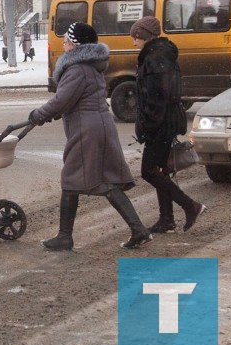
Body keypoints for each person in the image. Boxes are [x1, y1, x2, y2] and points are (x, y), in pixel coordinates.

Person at [28, 22, 152, 251]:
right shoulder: (90, 66)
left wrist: (38, 114)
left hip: (87, 130)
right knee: (106, 180)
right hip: (99, 125)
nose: (63, 45)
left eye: (66, 41)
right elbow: (76, 100)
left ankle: (65, 236)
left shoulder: (76, 69)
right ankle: (138, 230)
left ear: (75, 45)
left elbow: (61, 101)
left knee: (72, 179)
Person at [130, 16, 205, 234]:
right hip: (167, 121)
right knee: (160, 170)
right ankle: (166, 220)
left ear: (142, 36)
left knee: (148, 171)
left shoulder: (154, 59)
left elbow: (156, 97)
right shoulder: (162, 55)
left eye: (135, 37)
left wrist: (147, 125)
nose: (134, 41)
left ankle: (190, 206)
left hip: (160, 124)